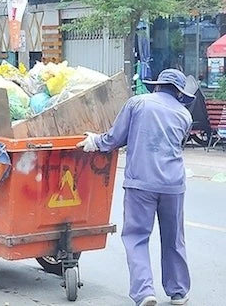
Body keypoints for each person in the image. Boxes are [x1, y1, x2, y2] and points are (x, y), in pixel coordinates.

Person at [77, 68, 193, 306]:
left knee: (137, 237)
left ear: (157, 86)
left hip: (141, 183)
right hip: (173, 186)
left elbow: (114, 138)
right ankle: (178, 291)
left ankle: (144, 293)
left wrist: (94, 141)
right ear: (179, 93)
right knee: (174, 238)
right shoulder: (184, 115)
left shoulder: (137, 104)